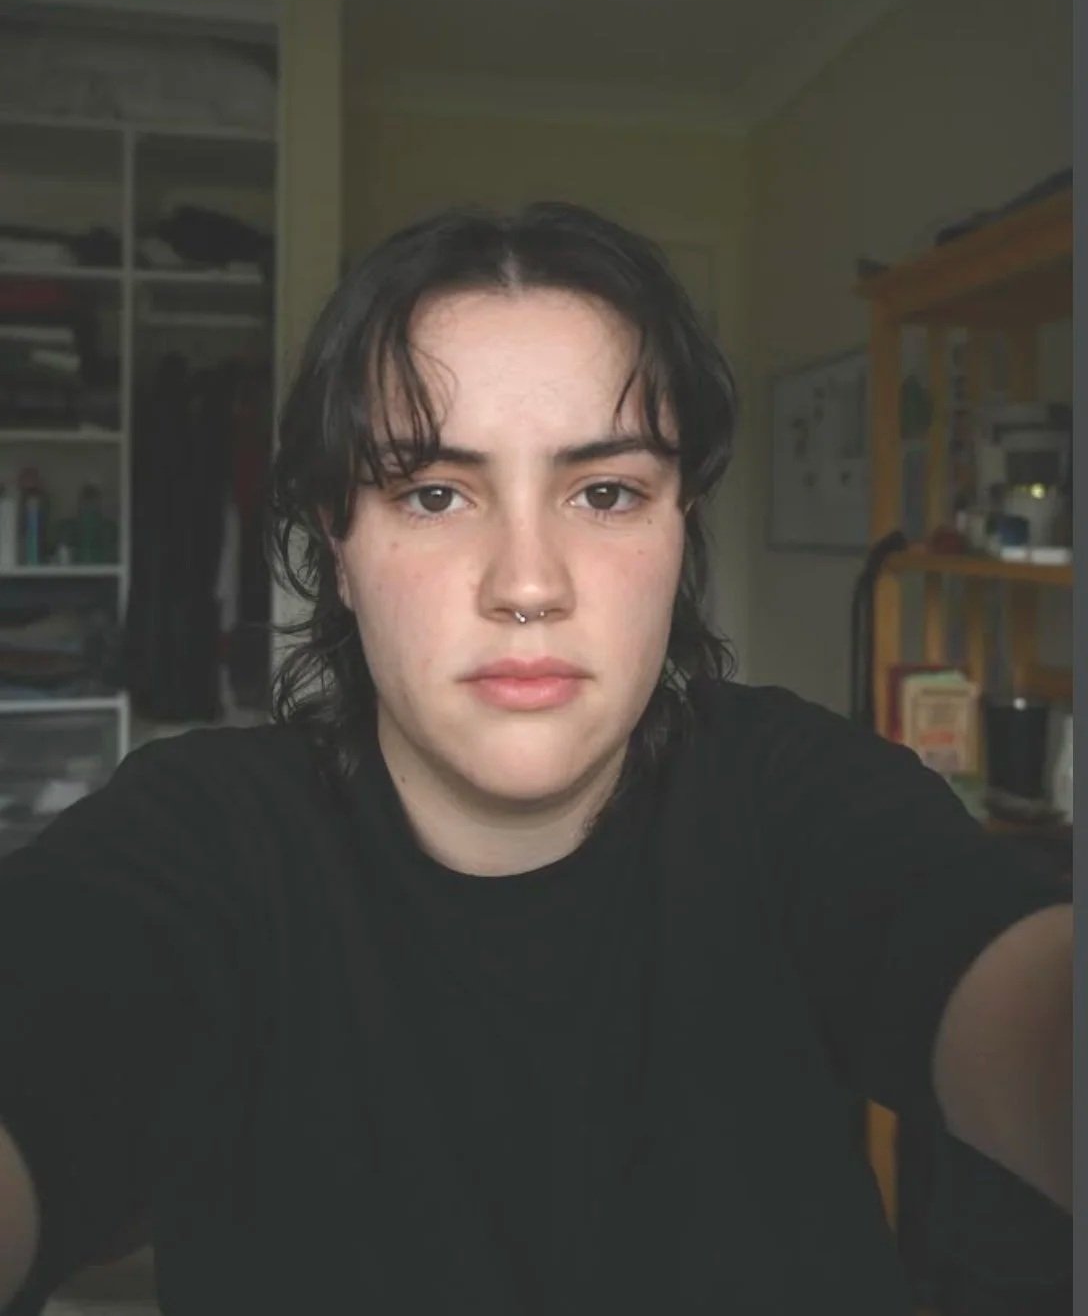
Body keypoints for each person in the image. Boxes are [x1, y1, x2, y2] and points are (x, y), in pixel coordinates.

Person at [0, 202, 1071, 1316]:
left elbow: (1023, 1004)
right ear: (339, 544)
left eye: (603, 493)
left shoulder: (795, 798)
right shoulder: (200, 845)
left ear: (677, 528)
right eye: (432, 493)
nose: (525, 582)